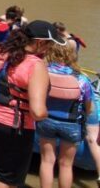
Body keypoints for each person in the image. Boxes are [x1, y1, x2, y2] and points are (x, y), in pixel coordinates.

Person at [0, 20, 62, 188]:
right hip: (12, 125)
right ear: (40, 43)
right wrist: (47, 115)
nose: (50, 49)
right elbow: (37, 111)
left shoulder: (1, 51)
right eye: (50, 44)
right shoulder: (36, 65)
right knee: (7, 177)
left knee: (4, 170)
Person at [38, 44, 93, 188]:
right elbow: (89, 108)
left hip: (46, 120)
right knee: (66, 164)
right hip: (71, 124)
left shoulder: (43, 72)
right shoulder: (82, 80)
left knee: (47, 161)